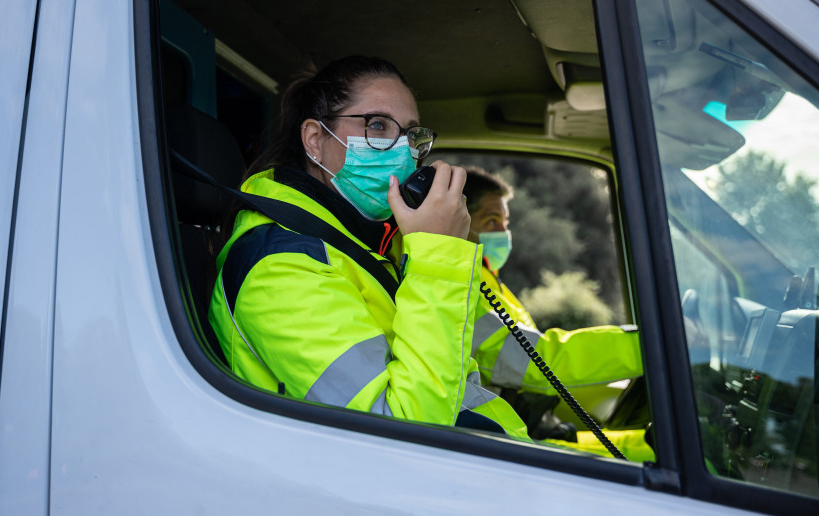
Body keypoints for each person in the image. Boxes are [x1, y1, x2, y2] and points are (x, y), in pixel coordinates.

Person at [208, 55, 531, 441]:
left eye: (411, 134)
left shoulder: (371, 246)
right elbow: (404, 432)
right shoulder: (280, 265)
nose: (403, 151)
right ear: (315, 139)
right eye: (377, 125)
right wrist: (437, 255)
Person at [462, 166, 654, 461]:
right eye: (491, 221)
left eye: (505, 221)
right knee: (662, 454)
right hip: (501, 440)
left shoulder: (488, 281)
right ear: (458, 220)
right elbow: (539, 362)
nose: (503, 232)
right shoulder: (460, 287)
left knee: (654, 445)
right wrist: (651, 346)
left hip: (527, 425)